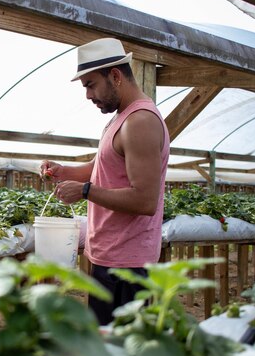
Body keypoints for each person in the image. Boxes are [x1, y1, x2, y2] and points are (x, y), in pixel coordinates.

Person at [40, 38, 170, 325]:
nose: (87, 95)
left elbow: (144, 200)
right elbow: (103, 167)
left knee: (118, 354)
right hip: (110, 255)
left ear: (115, 76)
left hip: (126, 264)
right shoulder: (120, 119)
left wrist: (85, 191)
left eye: (90, 84)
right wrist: (65, 172)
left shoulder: (140, 122)